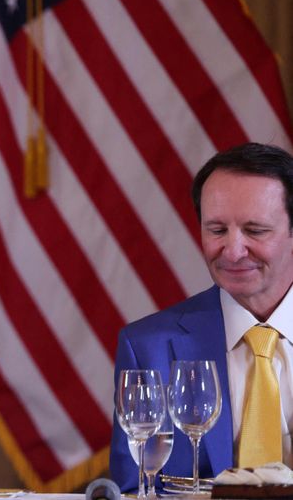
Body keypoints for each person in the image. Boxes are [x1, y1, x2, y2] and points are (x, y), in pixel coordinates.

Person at [110, 142, 293, 491]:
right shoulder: (148, 347)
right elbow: (136, 490)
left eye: (255, 231)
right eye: (217, 230)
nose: (233, 251)